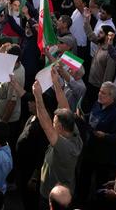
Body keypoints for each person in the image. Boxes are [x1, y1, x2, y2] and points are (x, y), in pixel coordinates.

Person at [32, 78, 83, 207]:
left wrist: (38, 96)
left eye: (54, 123)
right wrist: (55, 81)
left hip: (54, 198)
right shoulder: (73, 131)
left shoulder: (65, 147)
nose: (52, 125)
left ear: (60, 128)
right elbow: (65, 105)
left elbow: (46, 125)